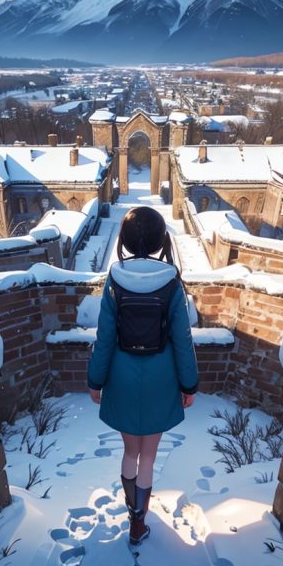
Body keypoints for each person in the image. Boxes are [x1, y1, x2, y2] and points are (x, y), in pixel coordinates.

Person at [87, 206, 199, 546]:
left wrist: (96, 380)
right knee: (149, 455)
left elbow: (104, 337)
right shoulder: (171, 281)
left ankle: (130, 509)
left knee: (129, 452)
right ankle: (139, 521)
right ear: (160, 240)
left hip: (121, 377)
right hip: (160, 380)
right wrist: (189, 384)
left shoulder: (115, 279)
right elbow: (182, 338)